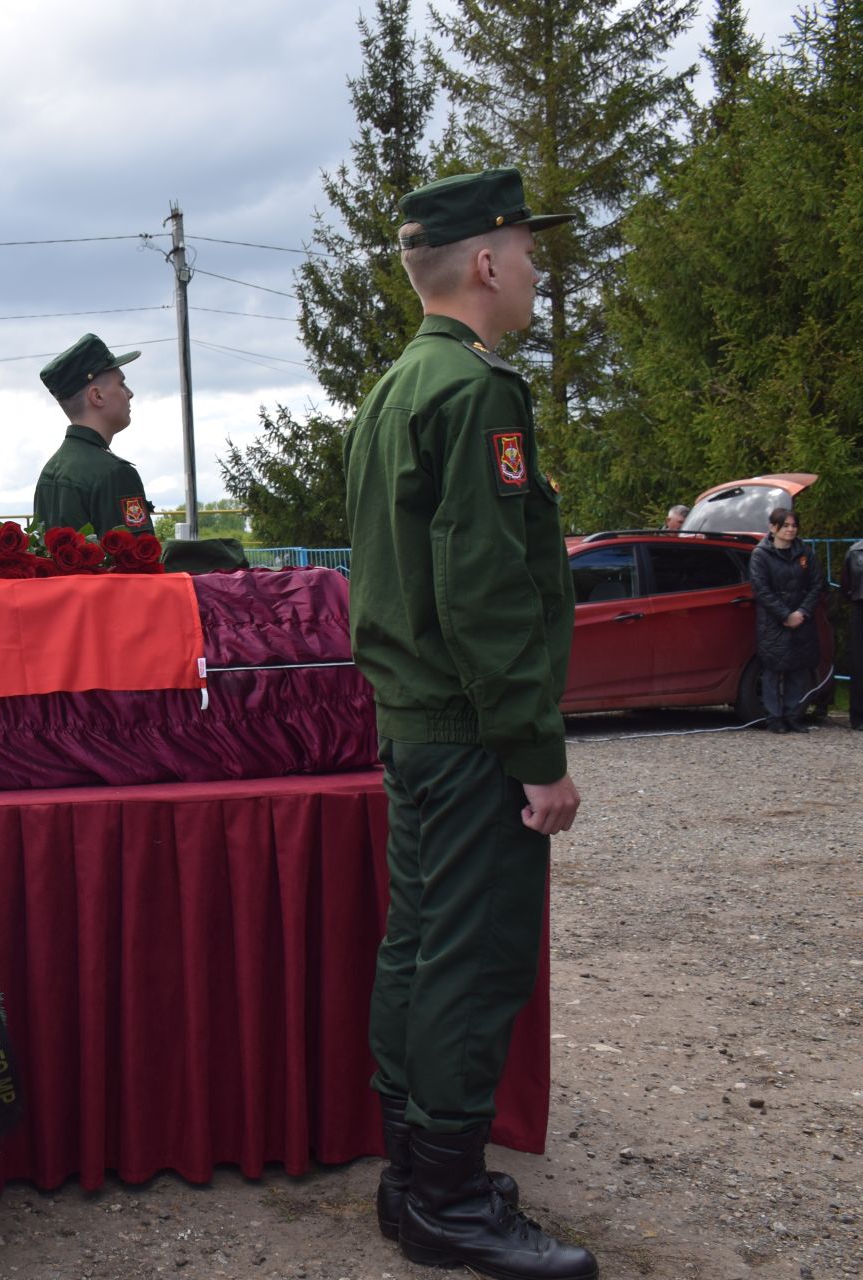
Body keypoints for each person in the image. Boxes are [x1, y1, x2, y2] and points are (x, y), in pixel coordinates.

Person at [344, 168, 596, 1280]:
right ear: (486, 262)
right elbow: (488, 590)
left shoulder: (400, 387)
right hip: (468, 729)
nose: (537, 270)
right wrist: (536, 755)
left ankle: (416, 1176)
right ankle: (445, 1200)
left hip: (417, 721)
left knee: (419, 945)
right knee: (471, 955)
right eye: (527, 252)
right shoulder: (476, 393)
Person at [31, 334, 154, 537]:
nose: (129, 393)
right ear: (97, 396)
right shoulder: (114, 473)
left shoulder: (51, 469)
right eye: (121, 384)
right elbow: (139, 565)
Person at [750, 507, 822, 733]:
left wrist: (801, 612)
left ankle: (793, 714)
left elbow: (816, 585)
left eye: (794, 526)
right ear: (773, 527)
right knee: (773, 668)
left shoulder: (805, 553)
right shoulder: (761, 554)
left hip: (801, 617)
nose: (790, 530)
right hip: (773, 620)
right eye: (786, 526)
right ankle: (774, 717)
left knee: (798, 668)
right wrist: (785, 614)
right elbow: (761, 590)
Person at [844, 536, 863, 730]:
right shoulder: (854, 551)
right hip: (860, 607)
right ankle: (858, 715)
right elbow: (846, 586)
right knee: (859, 663)